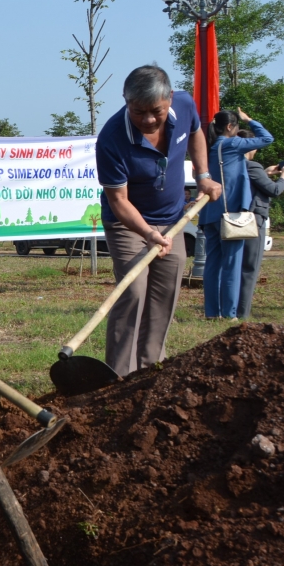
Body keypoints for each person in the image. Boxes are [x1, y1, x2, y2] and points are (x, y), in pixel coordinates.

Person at [95, 65, 222, 377]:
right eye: (138, 112)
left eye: (156, 111)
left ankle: (152, 371)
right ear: (126, 101)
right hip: (128, 225)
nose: (148, 120)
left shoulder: (185, 104)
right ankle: (121, 375)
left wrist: (203, 175)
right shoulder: (111, 140)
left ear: (169, 100)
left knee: (166, 290)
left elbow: (196, 133)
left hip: (172, 220)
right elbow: (119, 201)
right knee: (134, 290)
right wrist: (149, 233)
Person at [197, 109, 273, 319]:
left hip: (209, 214)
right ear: (230, 127)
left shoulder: (210, 148)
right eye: (238, 126)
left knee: (212, 265)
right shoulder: (232, 144)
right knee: (232, 264)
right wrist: (250, 119)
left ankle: (212, 312)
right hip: (231, 215)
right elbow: (267, 139)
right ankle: (230, 313)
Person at [238, 152, 284, 319]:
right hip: (252, 222)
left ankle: (227, 309)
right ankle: (241, 313)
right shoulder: (251, 165)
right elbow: (274, 190)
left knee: (233, 267)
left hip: (232, 221)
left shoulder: (228, 164)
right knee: (249, 268)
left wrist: (264, 173)